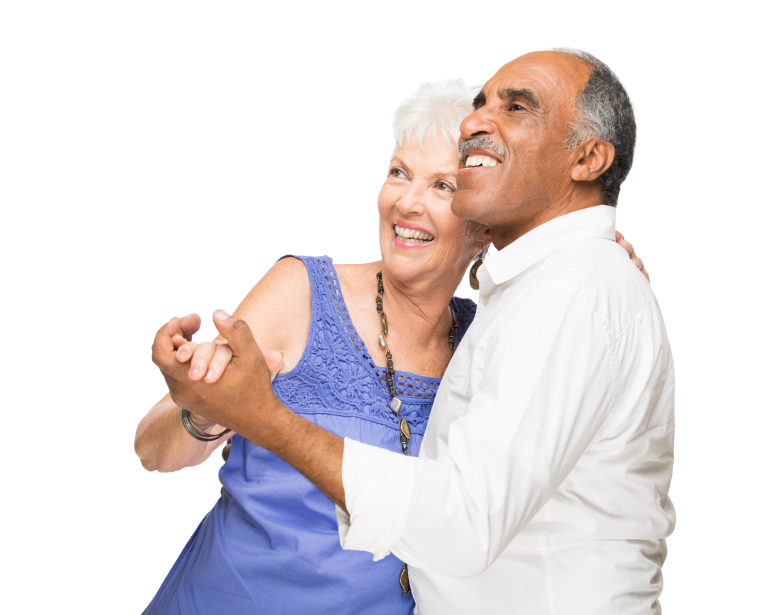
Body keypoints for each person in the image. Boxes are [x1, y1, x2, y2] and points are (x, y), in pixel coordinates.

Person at [146, 55, 655, 615]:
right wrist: (211, 411)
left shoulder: (490, 336)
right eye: (398, 173)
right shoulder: (304, 292)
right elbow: (154, 450)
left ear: (485, 217)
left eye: (443, 185)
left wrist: (578, 245)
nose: (407, 202)